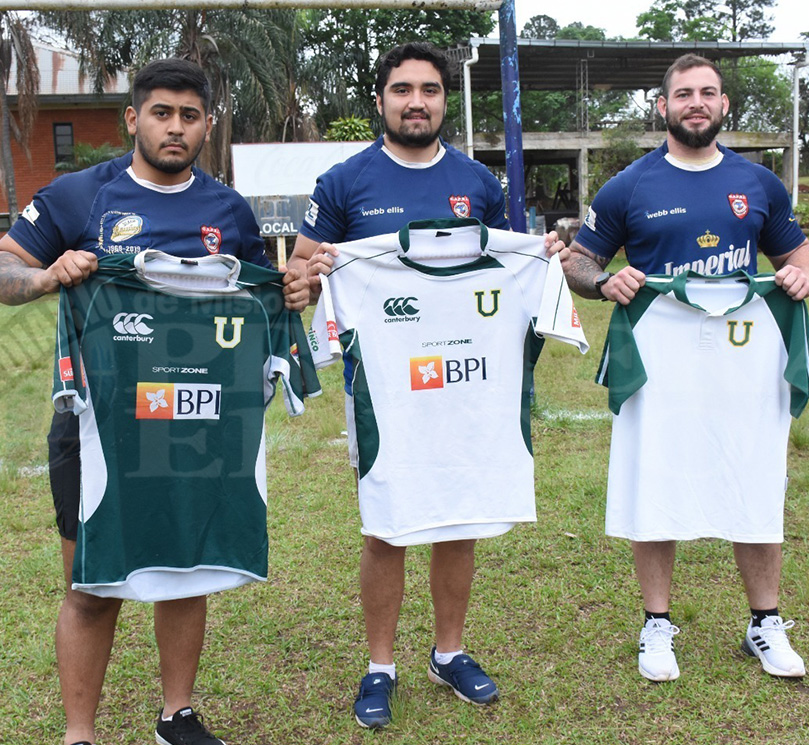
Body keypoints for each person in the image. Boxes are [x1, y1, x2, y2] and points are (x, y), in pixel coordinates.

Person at [0, 58, 285, 745]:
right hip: (97, 422)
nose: (175, 127)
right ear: (133, 119)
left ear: (208, 125)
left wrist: (297, 288)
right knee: (91, 583)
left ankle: (177, 715)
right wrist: (47, 275)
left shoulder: (229, 210)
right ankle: (79, 734)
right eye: (161, 113)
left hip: (198, 417)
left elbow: (263, 293)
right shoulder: (80, 195)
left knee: (185, 568)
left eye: (189, 116)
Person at [284, 41, 567, 730]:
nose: (417, 102)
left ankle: (449, 652)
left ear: (444, 100)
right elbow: (299, 271)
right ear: (380, 99)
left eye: (430, 90)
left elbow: (507, 264)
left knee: (459, 514)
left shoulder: (478, 182)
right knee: (387, 525)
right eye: (404, 89)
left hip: (465, 380)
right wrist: (311, 274)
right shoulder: (344, 182)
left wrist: (544, 257)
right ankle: (380, 665)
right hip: (384, 387)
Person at [563, 53, 809, 683]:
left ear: (724, 104)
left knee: (754, 475)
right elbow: (578, 261)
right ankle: (656, 624)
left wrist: (800, 274)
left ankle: (764, 623)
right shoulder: (629, 186)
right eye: (683, 94)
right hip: (660, 360)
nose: (696, 103)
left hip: (743, 357)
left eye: (707, 93)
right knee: (656, 479)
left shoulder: (758, 182)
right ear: (663, 106)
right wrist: (605, 282)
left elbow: (798, 251)